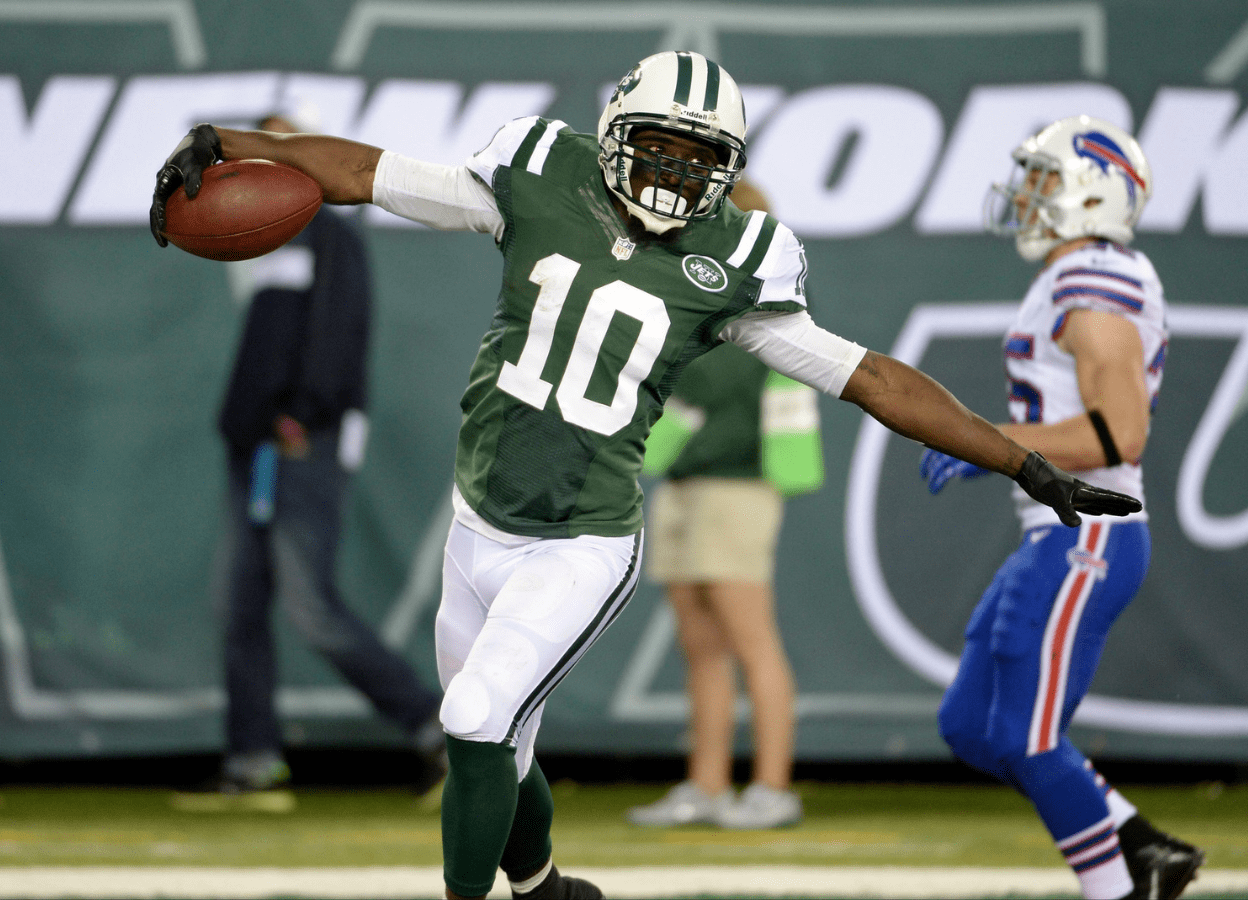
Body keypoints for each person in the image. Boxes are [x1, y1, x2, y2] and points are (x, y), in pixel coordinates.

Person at [151, 52, 1139, 900]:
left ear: (728, 171)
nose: (673, 173)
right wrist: (233, 141)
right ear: (614, 130)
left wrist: (1024, 462)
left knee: (474, 715)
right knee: (500, 748)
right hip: (477, 521)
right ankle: (540, 886)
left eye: (698, 158)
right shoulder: (535, 173)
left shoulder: (737, 261)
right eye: (659, 146)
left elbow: (871, 378)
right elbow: (364, 172)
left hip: (581, 538)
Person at [919, 116, 1204, 900]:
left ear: (1091, 194)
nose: (1027, 194)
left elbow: (1120, 433)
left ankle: (1117, 889)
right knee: (973, 726)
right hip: (1054, 535)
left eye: (1044, 178)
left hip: (1090, 535)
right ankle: (1140, 846)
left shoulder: (1096, 276)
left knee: (1028, 738)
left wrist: (992, 443)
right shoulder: (1075, 274)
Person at [205, 110, 444, 796]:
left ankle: (434, 727)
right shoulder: (260, 241)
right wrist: (248, 423)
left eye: (286, 148)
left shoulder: (328, 236)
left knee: (312, 609)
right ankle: (253, 758)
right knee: (238, 606)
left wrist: (303, 415)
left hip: (300, 445)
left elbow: (340, 336)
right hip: (253, 447)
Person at [626, 182, 813, 830]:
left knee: (752, 640)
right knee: (699, 644)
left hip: (737, 487)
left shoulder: (764, 304)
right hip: (683, 485)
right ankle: (705, 786)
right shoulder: (693, 300)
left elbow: (700, 381)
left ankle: (772, 786)